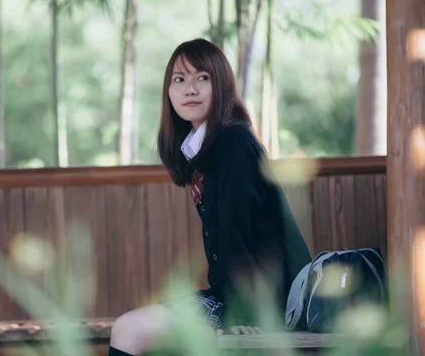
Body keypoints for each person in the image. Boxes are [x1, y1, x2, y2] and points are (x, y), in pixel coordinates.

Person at [108, 38, 312, 356]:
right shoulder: (203, 147)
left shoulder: (233, 142)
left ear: (222, 85)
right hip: (231, 294)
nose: (190, 88)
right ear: (169, 92)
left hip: (269, 302)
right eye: (180, 79)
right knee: (133, 330)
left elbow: (236, 232)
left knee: (130, 330)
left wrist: (239, 314)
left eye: (203, 77)